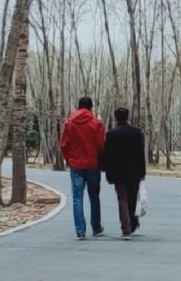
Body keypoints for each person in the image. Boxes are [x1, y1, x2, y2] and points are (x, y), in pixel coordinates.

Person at [60, 97, 106, 240]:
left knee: (77, 198)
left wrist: (69, 160)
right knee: (94, 196)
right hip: (92, 164)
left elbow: (64, 145)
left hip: (76, 165)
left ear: (78, 107)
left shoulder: (69, 123)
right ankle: (96, 227)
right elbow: (101, 145)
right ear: (91, 107)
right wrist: (101, 161)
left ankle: (80, 231)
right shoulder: (96, 123)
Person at [101, 107, 146, 239]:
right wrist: (142, 172)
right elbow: (140, 154)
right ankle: (133, 224)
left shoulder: (111, 134)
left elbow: (108, 155)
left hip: (118, 173)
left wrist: (107, 172)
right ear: (128, 117)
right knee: (133, 198)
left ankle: (126, 229)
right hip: (134, 172)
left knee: (122, 200)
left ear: (115, 118)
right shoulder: (136, 132)